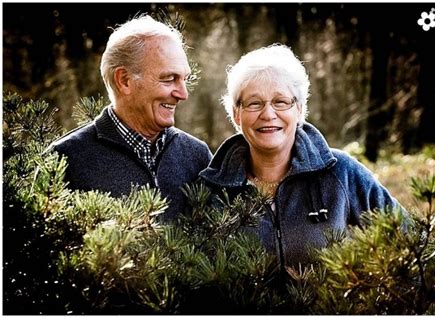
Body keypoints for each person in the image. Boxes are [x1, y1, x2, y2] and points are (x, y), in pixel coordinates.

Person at [199, 44, 405, 268]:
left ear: (298, 110)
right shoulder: (212, 190)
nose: (268, 114)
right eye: (254, 103)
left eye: (280, 102)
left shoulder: (340, 173)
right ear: (236, 114)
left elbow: (408, 238)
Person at [48, 15, 212, 221]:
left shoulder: (197, 156)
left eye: (184, 79)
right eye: (169, 78)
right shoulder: (63, 160)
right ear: (124, 81)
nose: (183, 94)